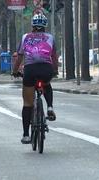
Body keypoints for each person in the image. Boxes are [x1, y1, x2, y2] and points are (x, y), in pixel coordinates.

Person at [12, 13, 58, 144]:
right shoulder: (50, 37)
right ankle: (49, 107)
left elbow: (19, 57)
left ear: (33, 25)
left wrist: (15, 71)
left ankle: (26, 135)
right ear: (45, 26)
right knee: (46, 84)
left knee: (27, 103)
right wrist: (54, 70)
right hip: (46, 69)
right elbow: (54, 57)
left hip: (30, 70)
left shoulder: (25, 37)